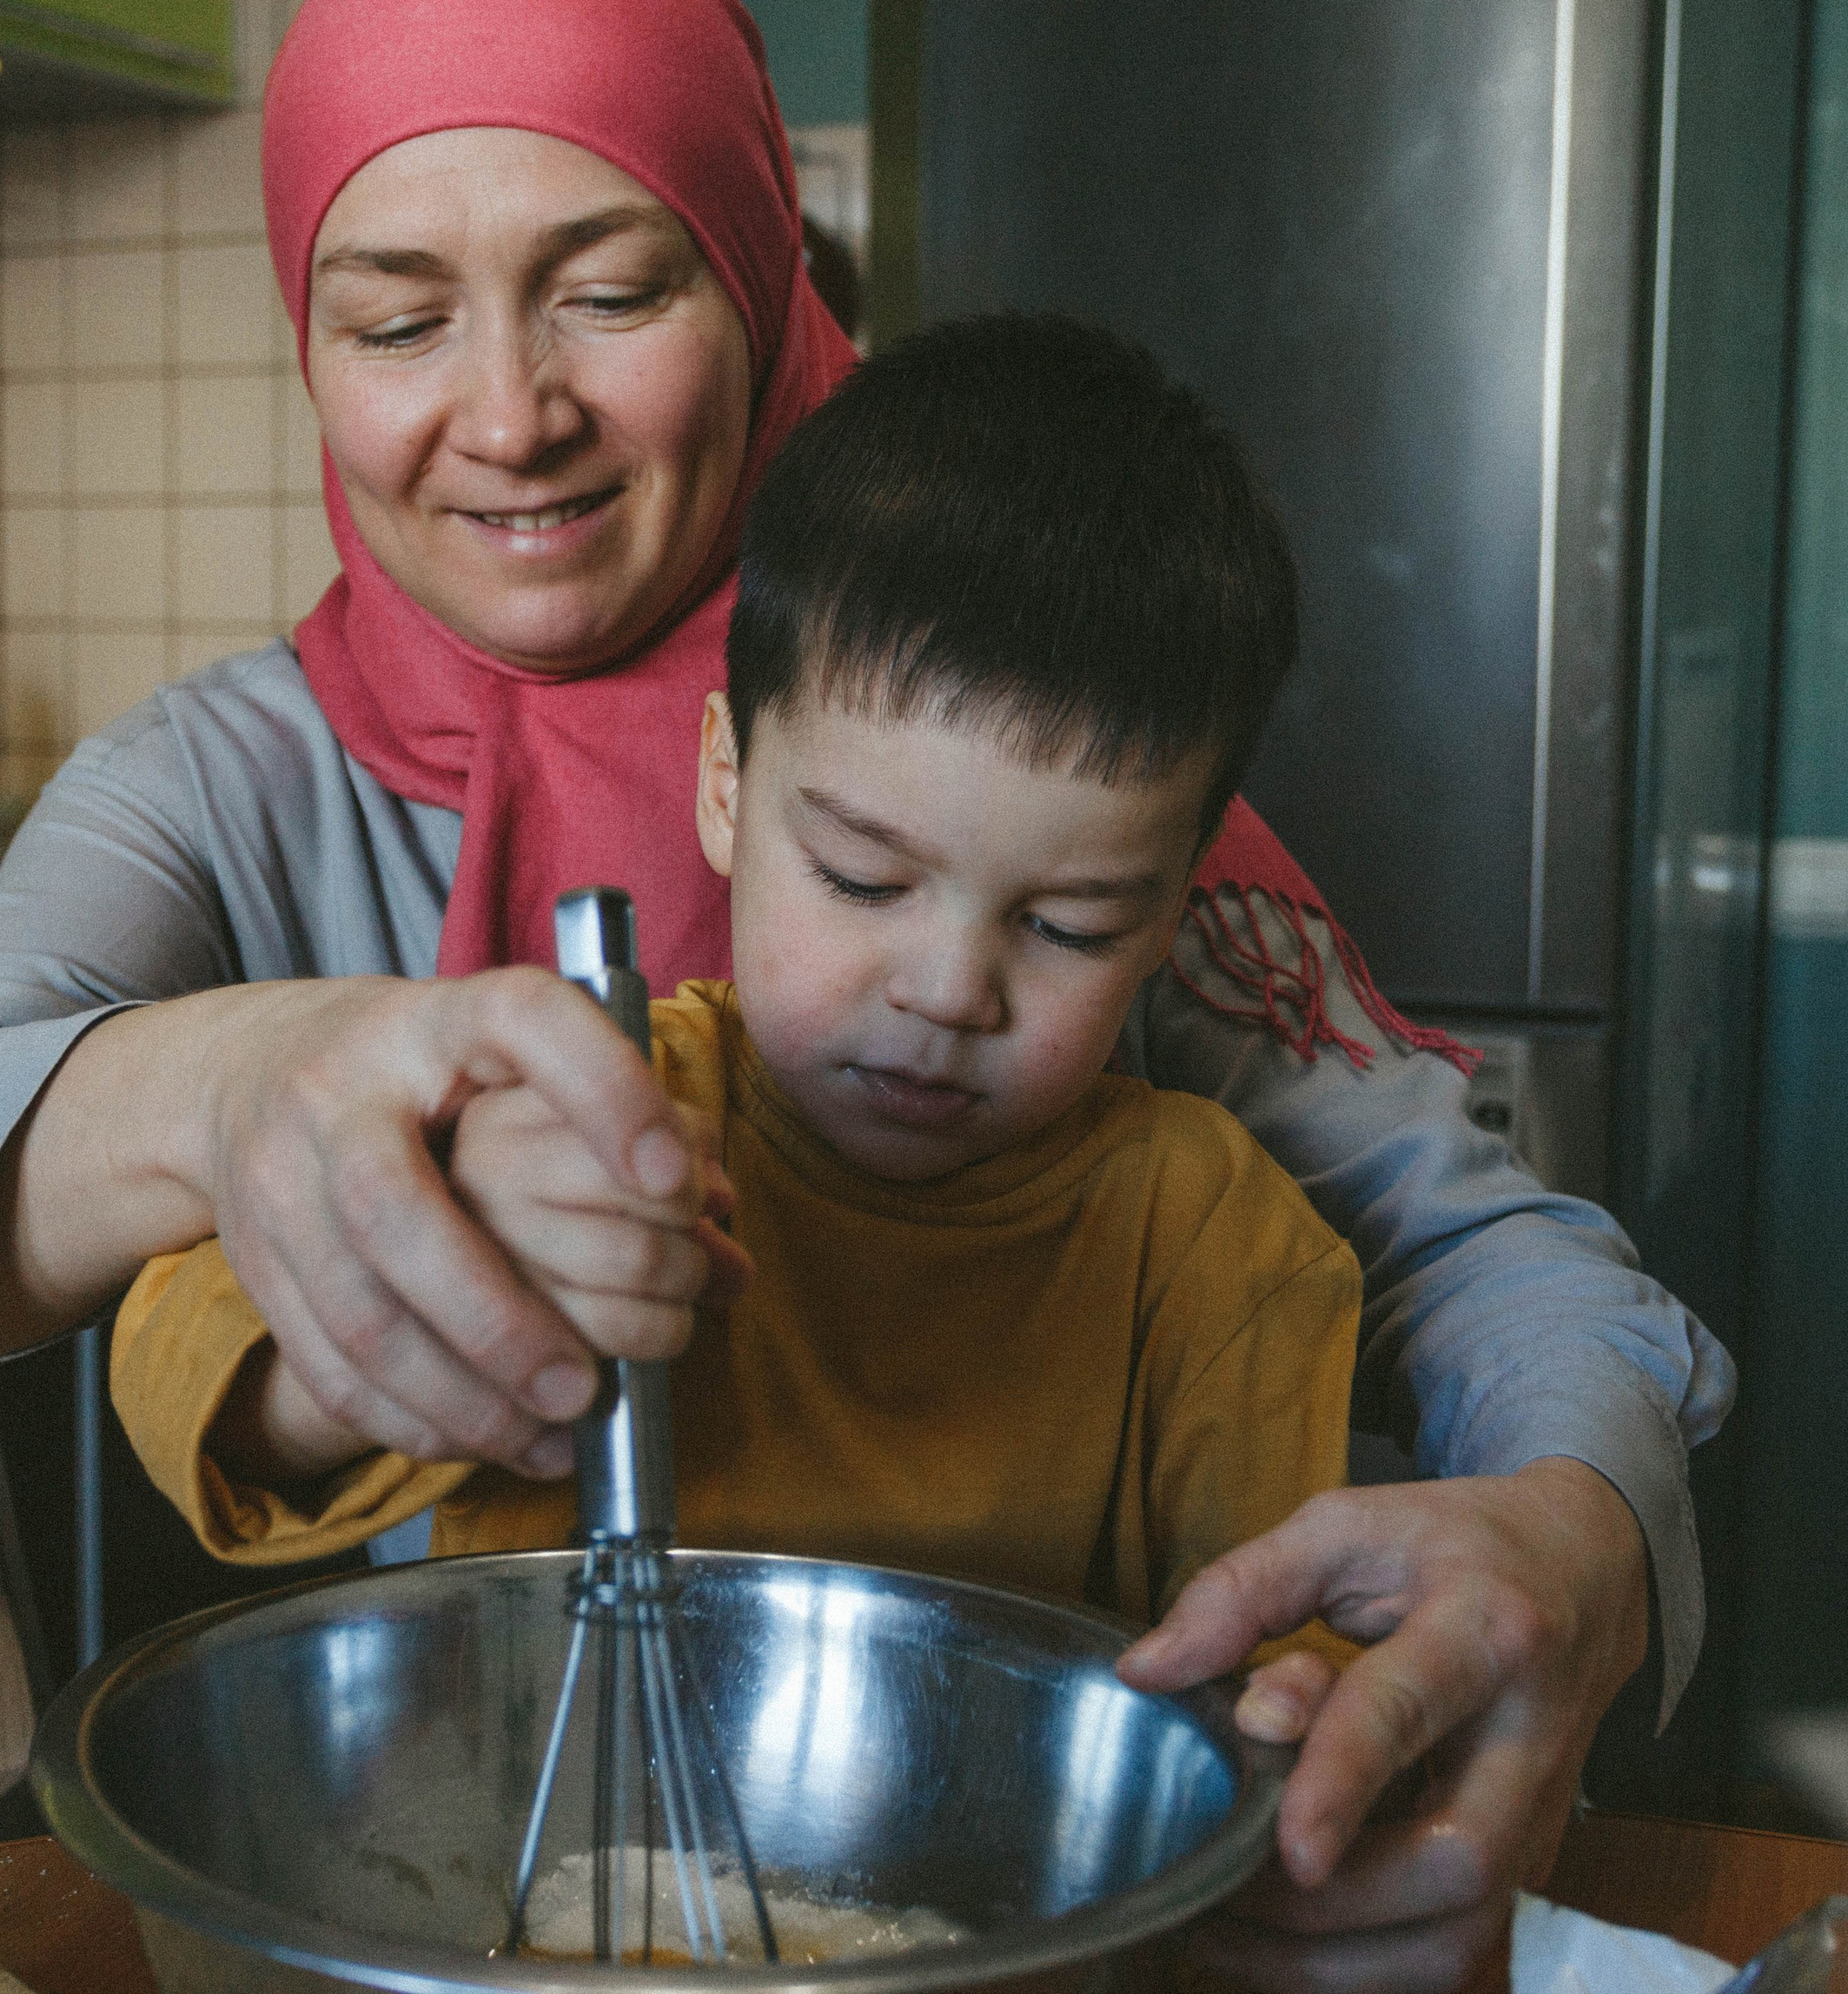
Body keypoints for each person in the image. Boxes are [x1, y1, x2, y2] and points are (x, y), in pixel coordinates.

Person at [0, 2, 1730, 1987]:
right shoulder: (222, 787)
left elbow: (1482, 1263)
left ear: (761, 269)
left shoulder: (985, 716)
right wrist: (247, 1082)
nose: (511, 410)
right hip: (473, 1857)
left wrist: (1567, 1535)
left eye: (611, 292)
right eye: (390, 321)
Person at [113, 316, 1368, 1674]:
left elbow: (1278, 1664)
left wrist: (1303, 1717)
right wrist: (435, 1284)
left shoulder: (1214, 1248)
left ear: (1177, 906)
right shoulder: (575, 1111)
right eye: (862, 880)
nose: (950, 993)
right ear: (726, 786)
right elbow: (184, 1375)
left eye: (1066, 927)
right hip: (541, 1854)